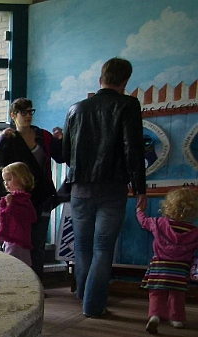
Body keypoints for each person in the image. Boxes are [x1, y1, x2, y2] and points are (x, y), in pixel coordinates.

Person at [62, 57, 147, 318]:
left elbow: (65, 153)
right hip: (112, 188)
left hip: (79, 188)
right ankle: (93, 305)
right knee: (102, 248)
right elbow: (133, 150)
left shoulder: (76, 109)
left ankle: (83, 294)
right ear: (125, 81)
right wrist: (140, 188)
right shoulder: (128, 105)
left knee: (82, 246)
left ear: (101, 79)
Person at [0, 97, 64, 279]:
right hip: (20, 199)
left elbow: (61, 155)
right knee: (18, 243)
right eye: (23, 113)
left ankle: (37, 284)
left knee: (38, 244)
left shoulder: (43, 136)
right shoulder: (10, 139)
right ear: (13, 115)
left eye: (30, 112)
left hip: (41, 197)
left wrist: (61, 139)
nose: (28, 116)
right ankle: (22, 282)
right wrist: (2, 138)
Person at [136, 188, 198, 334]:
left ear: (168, 206)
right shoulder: (195, 232)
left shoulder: (159, 223)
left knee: (156, 293)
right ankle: (176, 318)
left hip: (159, 267)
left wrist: (139, 210)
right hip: (180, 270)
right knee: (178, 294)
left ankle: (155, 315)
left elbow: (143, 222)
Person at [0, 162, 37, 267]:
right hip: (9, 239)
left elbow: (31, 217)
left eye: (9, 179)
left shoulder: (22, 199)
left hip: (18, 240)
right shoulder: (10, 198)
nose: (6, 183)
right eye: (5, 181)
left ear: (22, 179)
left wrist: (11, 206)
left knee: (15, 264)